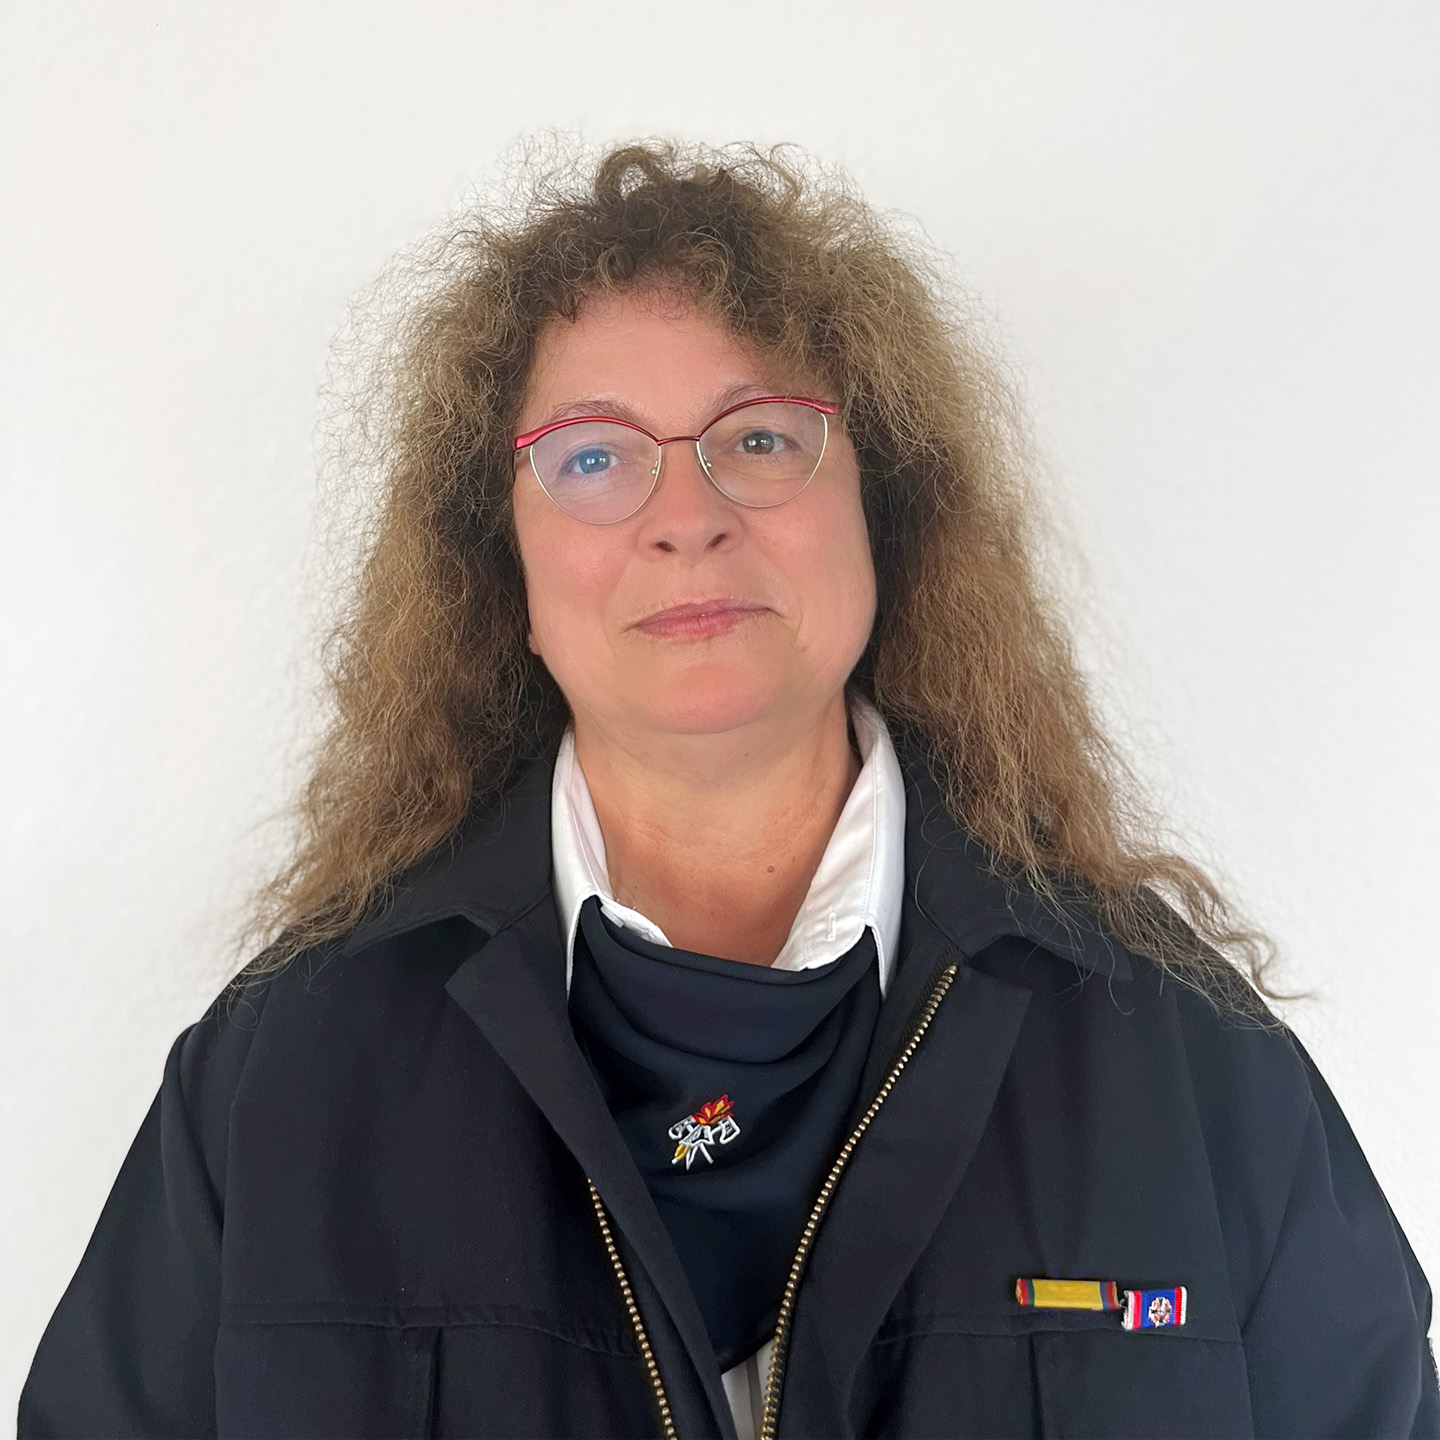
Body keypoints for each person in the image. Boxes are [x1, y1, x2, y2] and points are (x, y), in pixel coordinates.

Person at [18, 139, 1437, 1440]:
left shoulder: (1186, 1062)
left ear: (886, 511)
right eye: (591, 459)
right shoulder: (280, 1077)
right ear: (499, 574)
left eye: (760, 438)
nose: (686, 517)